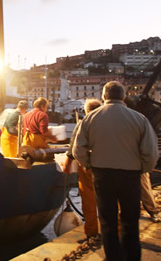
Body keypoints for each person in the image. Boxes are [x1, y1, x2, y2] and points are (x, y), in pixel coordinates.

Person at [74, 81, 159, 261]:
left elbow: (78, 150)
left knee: (107, 221)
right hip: (130, 175)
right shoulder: (139, 119)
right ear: (123, 97)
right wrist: (143, 169)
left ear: (104, 97)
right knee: (130, 220)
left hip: (102, 174)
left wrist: (90, 165)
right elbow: (151, 152)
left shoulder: (90, 119)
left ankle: (113, 257)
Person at [65, 98, 102, 239]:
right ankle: (115, 230)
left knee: (89, 201)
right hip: (110, 167)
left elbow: (74, 148)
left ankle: (92, 233)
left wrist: (72, 163)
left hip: (89, 167)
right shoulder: (110, 123)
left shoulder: (84, 123)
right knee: (112, 200)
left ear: (87, 111)